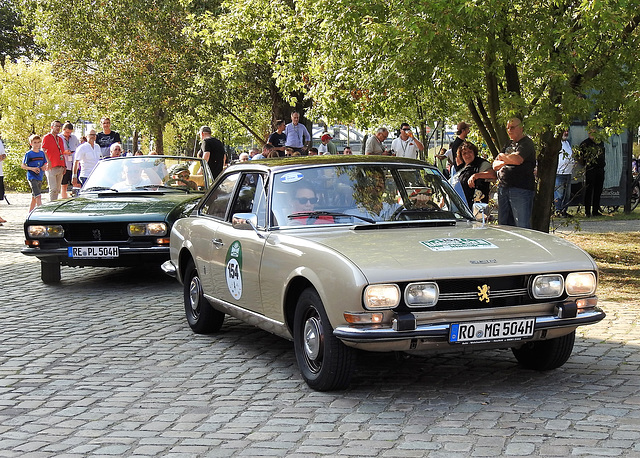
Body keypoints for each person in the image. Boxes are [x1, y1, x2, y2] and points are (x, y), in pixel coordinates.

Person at [492, 117, 536, 228]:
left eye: (512, 127)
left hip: (520, 189)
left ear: (521, 128)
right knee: (504, 225)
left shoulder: (526, 143)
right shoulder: (508, 144)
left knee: (521, 225)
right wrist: (505, 160)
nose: (509, 130)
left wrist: (503, 157)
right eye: (507, 128)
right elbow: (495, 165)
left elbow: (517, 159)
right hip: (503, 188)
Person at [454, 142, 496, 209]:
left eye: (470, 152)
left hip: (476, 207)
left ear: (474, 152)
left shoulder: (482, 164)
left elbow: (493, 174)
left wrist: (475, 176)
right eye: (464, 153)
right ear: (461, 156)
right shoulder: (461, 168)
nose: (467, 155)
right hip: (461, 206)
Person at [577, 131, 606, 217]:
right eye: (591, 132)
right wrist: (585, 164)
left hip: (600, 169)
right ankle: (587, 212)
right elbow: (579, 156)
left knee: (598, 190)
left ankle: (595, 211)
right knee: (589, 191)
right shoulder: (585, 143)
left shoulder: (601, 142)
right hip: (590, 169)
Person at [21, 134, 48, 212]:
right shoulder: (29, 154)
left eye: (38, 142)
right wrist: (32, 168)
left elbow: (44, 163)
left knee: (34, 196)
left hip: (40, 176)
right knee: (38, 196)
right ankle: (41, 213)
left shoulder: (42, 153)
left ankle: (30, 213)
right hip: (32, 177)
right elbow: (23, 165)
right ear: (31, 144)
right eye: (35, 142)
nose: (37, 144)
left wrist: (44, 167)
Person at [41, 120, 66, 201]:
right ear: (52, 127)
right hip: (51, 166)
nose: (58, 128)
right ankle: (51, 205)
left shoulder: (60, 139)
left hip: (60, 165)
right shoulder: (47, 137)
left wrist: (64, 165)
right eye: (56, 126)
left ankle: (55, 204)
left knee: (58, 189)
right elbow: (43, 150)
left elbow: (62, 152)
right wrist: (48, 161)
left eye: (59, 126)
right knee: (53, 188)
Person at [555, 131, 574, 217]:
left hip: (568, 172)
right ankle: (558, 211)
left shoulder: (567, 143)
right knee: (559, 194)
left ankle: (564, 211)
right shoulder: (556, 143)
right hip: (559, 172)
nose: (566, 133)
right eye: (563, 131)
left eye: (567, 131)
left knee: (567, 195)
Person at [58, 122, 80, 199]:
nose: (68, 134)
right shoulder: (59, 137)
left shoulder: (74, 138)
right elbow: (56, 150)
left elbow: (79, 148)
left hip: (73, 164)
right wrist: (64, 152)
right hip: (64, 163)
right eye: (67, 132)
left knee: (76, 183)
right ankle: (64, 198)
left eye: (70, 132)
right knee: (64, 184)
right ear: (63, 129)